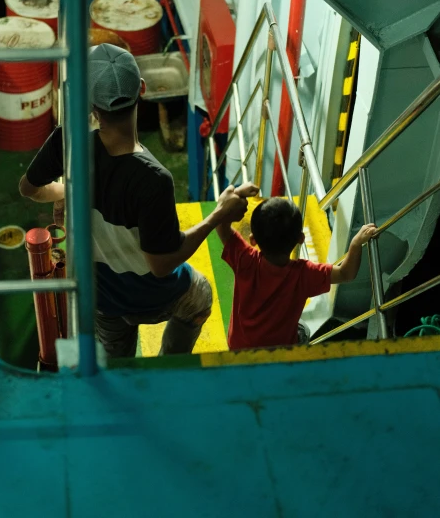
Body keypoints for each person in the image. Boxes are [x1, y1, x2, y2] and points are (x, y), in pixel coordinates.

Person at [19, 43, 248, 358]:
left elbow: (28, 189)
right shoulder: (153, 179)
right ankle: (169, 365)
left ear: (90, 103)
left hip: (101, 298)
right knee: (202, 297)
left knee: (115, 356)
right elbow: (162, 264)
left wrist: (66, 190)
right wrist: (218, 215)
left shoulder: (66, 141)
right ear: (143, 89)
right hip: (150, 296)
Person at [215, 184, 378, 350]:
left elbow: (220, 223)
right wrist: (356, 243)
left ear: (253, 239)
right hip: (279, 353)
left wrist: (238, 193)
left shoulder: (244, 260)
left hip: (239, 348)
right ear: (301, 238)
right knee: (303, 331)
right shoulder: (304, 274)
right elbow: (346, 273)